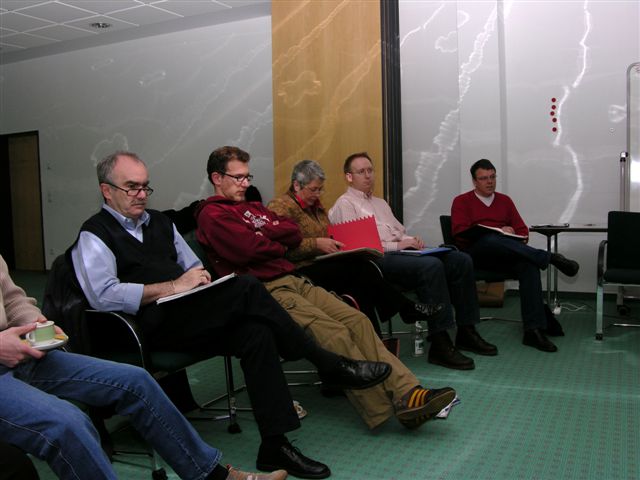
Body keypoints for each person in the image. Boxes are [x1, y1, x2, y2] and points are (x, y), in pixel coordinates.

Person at [71, 151, 391, 479]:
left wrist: (197, 279)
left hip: (185, 312)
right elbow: (103, 295)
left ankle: (275, 445)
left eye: (145, 186)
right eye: (131, 187)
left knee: (256, 333)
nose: (141, 194)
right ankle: (328, 363)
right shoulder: (94, 234)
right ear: (106, 190)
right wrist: (173, 286)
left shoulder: (160, 223)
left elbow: (193, 265)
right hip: (146, 326)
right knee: (248, 286)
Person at [196, 146, 456, 433]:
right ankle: (385, 406)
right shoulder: (213, 214)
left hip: (295, 279)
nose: (246, 184)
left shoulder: (252, 207)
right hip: (265, 289)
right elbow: (249, 250)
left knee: (357, 320)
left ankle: (408, 392)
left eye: (248, 177)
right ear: (217, 178)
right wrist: (273, 239)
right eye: (239, 178)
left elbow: (291, 232)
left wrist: (266, 235)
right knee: (335, 333)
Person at [0, 255, 287, 480]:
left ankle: (211, 475)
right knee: (67, 424)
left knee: (135, 381)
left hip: (23, 352)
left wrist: (35, 322)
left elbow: (12, 299)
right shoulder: (96, 235)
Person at [329, 152, 498, 371]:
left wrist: (411, 240)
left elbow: (399, 232)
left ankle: (466, 330)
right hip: (376, 260)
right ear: (349, 177)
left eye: (370, 170)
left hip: (401, 253)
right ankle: (440, 342)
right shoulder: (345, 204)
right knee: (432, 266)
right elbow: (361, 248)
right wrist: (400, 245)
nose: (368, 175)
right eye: (361, 171)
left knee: (460, 260)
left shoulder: (380, 203)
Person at [266, 159, 443, 335]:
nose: (318, 194)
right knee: (362, 271)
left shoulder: (317, 208)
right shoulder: (281, 207)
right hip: (300, 269)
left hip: (321, 262)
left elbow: (329, 235)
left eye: (320, 189)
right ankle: (404, 310)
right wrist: (316, 244)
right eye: (313, 189)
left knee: (361, 283)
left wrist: (336, 244)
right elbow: (277, 248)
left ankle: (376, 338)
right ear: (296, 185)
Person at [450, 158, 579, 352]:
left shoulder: (505, 201)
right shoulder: (462, 201)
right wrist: (494, 232)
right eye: (484, 178)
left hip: (504, 256)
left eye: (492, 177)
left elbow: (523, 232)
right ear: (474, 181)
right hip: (475, 256)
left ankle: (533, 330)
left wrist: (510, 232)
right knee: (490, 239)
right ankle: (549, 257)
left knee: (529, 265)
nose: (489, 182)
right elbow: (459, 233)